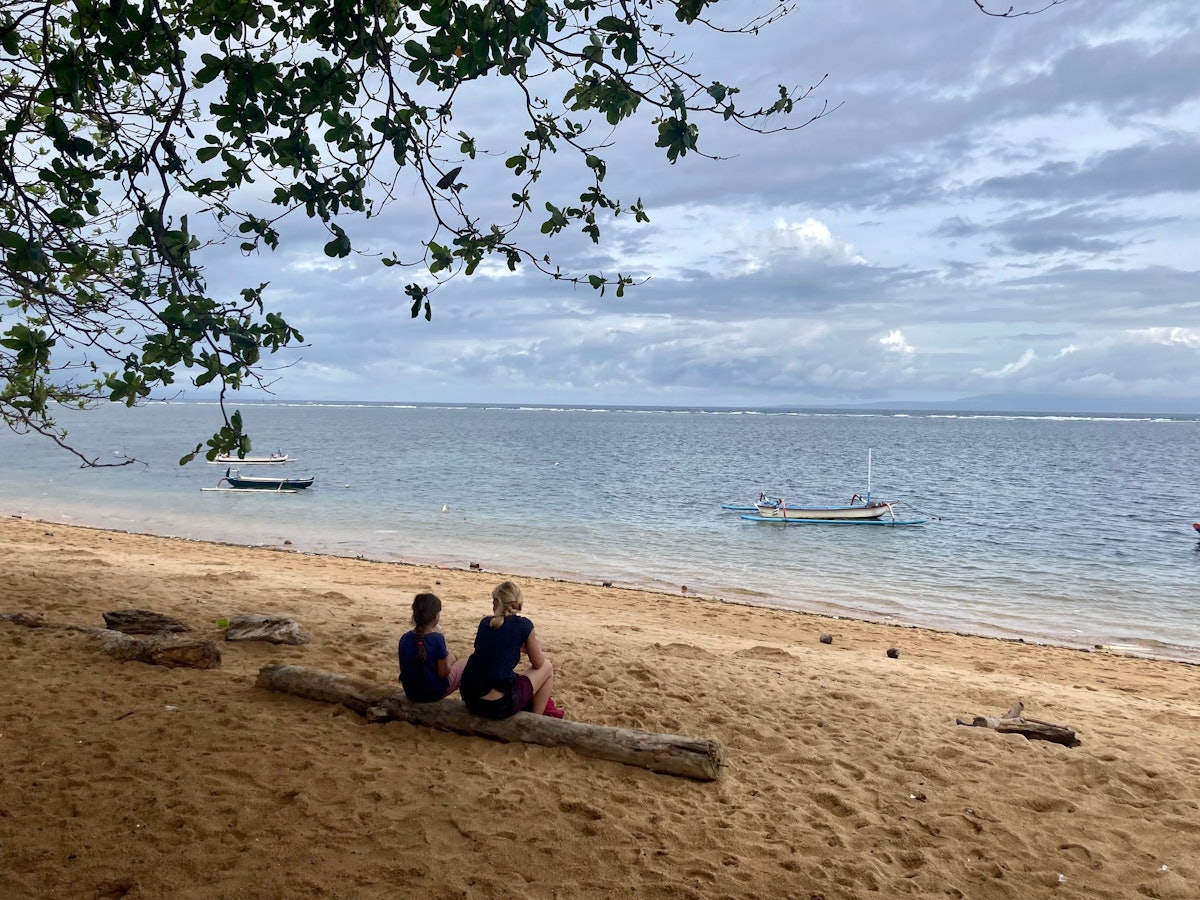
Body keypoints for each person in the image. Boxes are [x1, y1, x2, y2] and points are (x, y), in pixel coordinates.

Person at [460, 580, 564, 719]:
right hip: (499, 705)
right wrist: (536, 647)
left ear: (497, 602)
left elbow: (493, 651)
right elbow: (538, 664)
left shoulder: (485, 622)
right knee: (548, 667)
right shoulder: (524, 625)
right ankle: (535, 720)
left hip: (471, 699)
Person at [397, 593, 465, 702]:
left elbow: (403, 669)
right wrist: (450, 660)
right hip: (433, 693)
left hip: (411, 692)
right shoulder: (437, 638)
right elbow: (443, 673)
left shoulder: (404, 638)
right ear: (435, 617)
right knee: (464, 663)